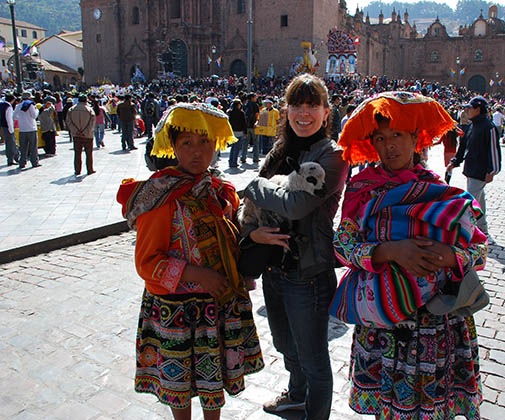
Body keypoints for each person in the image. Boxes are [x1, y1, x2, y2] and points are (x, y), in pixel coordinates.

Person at [332, 91, 487, 420]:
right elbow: (343, 245)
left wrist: (450, 257)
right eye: (380, 138)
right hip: (384, 324)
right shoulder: (363, 188)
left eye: (398, 136)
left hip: (436, 323)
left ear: (416, 138)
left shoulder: (440, 191)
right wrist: (389, 251)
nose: (389, 146)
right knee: (387, 411)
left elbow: (478, 247)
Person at [116, 102, 264, 420]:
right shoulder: (160, 196)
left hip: (216, 306)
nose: (197, 152)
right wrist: (197, 274)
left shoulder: (221, 192)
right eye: (187, 143)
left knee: (214, 390)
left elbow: (232, 242)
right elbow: (147, 262)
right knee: (178, 388)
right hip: (175, 311)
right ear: (173, 146)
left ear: (216, 144)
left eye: (204, 142)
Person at [241, 74, 348, 420]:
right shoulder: (279, 150)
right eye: (297, 105)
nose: (304, 113)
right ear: (286, 110)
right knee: (287, 346)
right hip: (274, 268)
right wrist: (251, 237)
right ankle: (296, 396)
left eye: (312, 105)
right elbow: (260, 209)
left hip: (308, 274)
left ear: (325, 111)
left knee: (314, 358)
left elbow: (296, 204)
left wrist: (256, 185)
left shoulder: (333, 156)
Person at [448, 96, 501, 235]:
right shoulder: (472, 126)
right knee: (479, 199)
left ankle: (464, 229)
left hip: (481, 170)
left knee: (469, 200)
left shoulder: (489, 127)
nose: (467, 111)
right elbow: (463, 146)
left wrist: (493, 170)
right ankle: (482, 227)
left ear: (478, 109)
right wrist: (454, 162)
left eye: (469, 108)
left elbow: (494, 150)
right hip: (471, 168)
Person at [66, 94, 96, 176]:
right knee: (89, 153)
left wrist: (76, 131)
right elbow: (92, 123)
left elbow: (68, 122)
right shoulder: (89, 110)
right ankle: (90, 169)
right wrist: (85, 132)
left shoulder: (71, 109)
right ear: (86, 100)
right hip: (88, 135)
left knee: (77, 154)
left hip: (76, 135)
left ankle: (77, 170)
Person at [15, 91, 41, 169]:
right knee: (33, 147)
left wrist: (21, 119)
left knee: (23, 147)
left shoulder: (18, 106)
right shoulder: (31, 105)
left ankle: (22, 162)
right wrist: (37, 110)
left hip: (22, 129)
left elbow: (14, 117)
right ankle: (34, 162)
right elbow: (34, 116)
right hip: (31, 128)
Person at [227, 98, 247, 168]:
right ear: (238, 105)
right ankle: (234, 162)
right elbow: (244, 123)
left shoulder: (230, 112)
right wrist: (245, 132)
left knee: (233, 147)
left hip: (232, 131)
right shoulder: (241, 113)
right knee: (237, 148)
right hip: (239, 131)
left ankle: (230, 161)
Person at [0, 93, 19, 166]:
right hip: (8, 127)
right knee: (11, 143)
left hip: (3, 126)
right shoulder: (8, 106)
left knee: (9, 143)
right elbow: (9, 119)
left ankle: (13, 157)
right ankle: (12, 158)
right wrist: (11, 129)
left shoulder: (2, 104)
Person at [243, 92, 259, 163]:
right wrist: (256, 122)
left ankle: (243, 158)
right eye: (255, 97)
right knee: (256, 143)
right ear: (252, 98)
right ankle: (255, 158)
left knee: (245, 143)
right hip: (253, 126)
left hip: (246, 127)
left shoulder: (244, 105)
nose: (256, 98)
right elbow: (257, 116)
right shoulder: (255, 105)